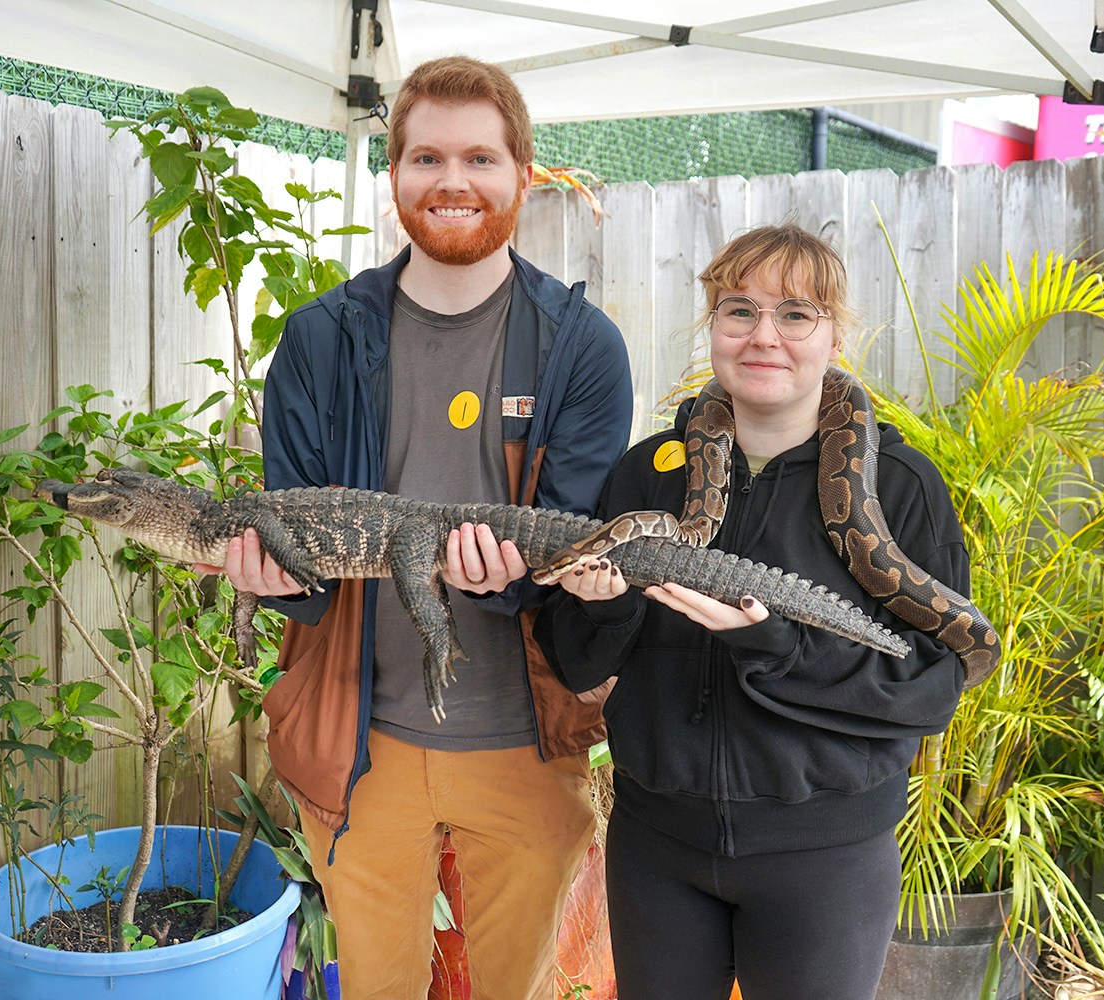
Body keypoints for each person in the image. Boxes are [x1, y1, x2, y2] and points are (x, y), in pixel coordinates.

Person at [196, 56, 633, 1000]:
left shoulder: (581, 347)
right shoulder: (320, 339)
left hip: (527, 744)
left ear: (524, 173)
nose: (453, 182)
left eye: (481, 157)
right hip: (361, 750)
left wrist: (506, 576)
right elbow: (303, 553)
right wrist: (269, 577)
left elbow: (577, 542)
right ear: (392, 174)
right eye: (426, 157)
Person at [536, 224, 967, 1000]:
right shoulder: (648, 473)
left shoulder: (902, 487)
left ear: (836, 334)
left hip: (824, 857)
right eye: (739, 311)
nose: (763, 335)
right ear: (714, 328)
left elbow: (928, 689)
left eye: (795, 313)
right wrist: (600, 610)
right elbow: (574, 663)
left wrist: (774, 643)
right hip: (657, 846)